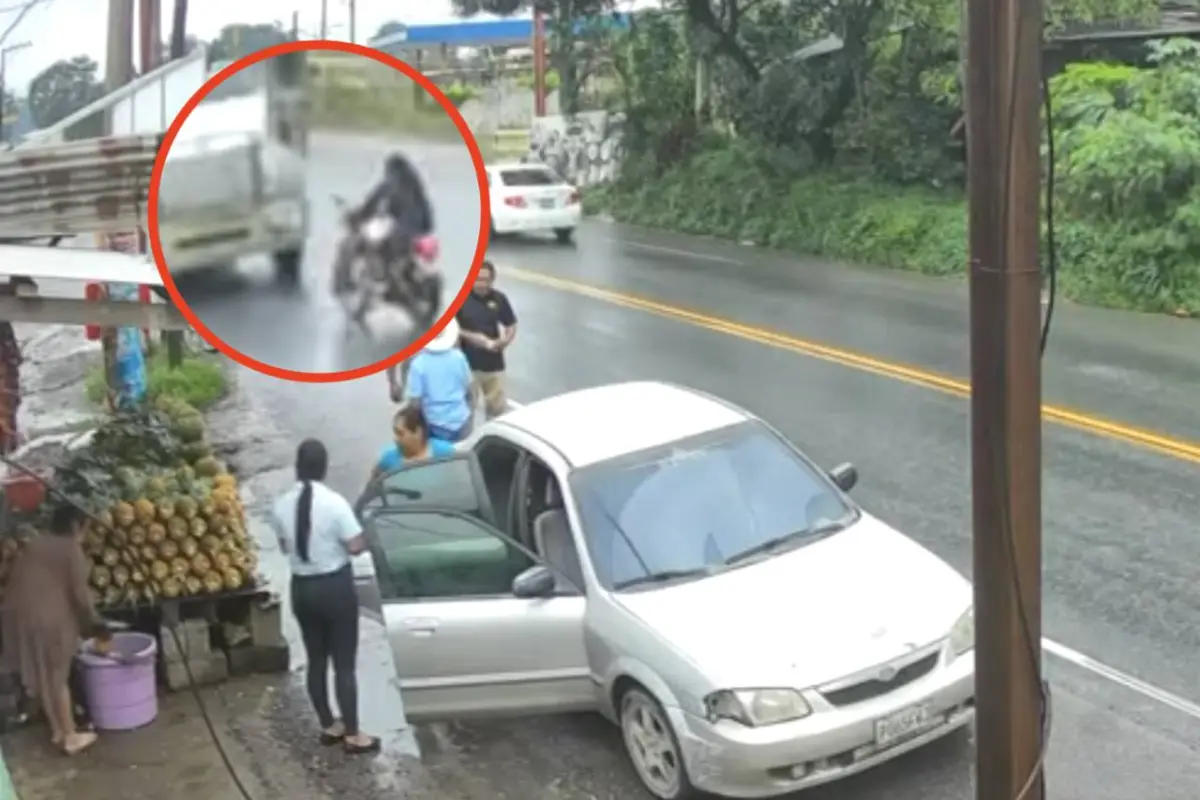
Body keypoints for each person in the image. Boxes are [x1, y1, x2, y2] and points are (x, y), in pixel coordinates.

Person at [272, 439, 380, 755]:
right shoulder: (334, 503)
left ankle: (328, 725)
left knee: (316, 660)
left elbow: (283, 547)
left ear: (298, 466)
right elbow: (355, 545)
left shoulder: (280, 505)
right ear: (324, 467)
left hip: (302, 589)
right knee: (344, 664)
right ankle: (353, 733)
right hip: (334, 588)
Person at [0, 502, 105, 755]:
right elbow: (81, 597)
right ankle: (70, 736)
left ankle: (58, 729)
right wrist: (99, 628)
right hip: (47, 619)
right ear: (74, 526)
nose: (86, 532)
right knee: (58, 675)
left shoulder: (36, 544)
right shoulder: (71, 550)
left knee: (43, 672)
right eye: (86, 527)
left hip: (16, 615)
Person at [333, 153, 434, 298]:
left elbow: (369, 207)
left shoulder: (389, 184)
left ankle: (345, 283)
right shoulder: (417, 188)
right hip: (418, 235)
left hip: (399, 235)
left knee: (351, 244)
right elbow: (428, 220)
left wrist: (354, 217)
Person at [456, 260, 517, 420]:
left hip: (494, 364)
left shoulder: (499, 299)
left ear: (492, 280)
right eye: (477, 279)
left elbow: (510, 324)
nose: (481, 284)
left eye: (485, 280)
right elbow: (451, 330)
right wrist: (476, 339)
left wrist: (505, 340)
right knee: (466, 410)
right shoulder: (460, 298)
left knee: (497, 412)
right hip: (468, 365)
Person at [403, 318, 475, 442]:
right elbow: (470, 391)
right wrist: (469, 415)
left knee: (440, 460)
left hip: (434, 423)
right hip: (461, 420)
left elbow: (415, 402)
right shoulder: (459, 357)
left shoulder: (419, 364)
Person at [369, 405, 457, 484]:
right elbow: (372, 489)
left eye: (400, 434)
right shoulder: (388, 459)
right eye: (395, 433)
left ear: (418, 432)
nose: (396, 439)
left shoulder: (445, 452)